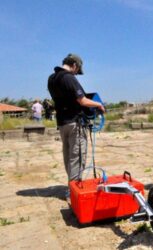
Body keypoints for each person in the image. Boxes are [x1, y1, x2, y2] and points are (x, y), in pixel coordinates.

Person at [47, 53, 105, 198]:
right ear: (74, 65)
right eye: (77, 71)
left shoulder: (52, 79)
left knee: (68, 156)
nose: (76, 74)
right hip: (75, 123)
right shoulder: (68, 77)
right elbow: (83, 101)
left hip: (62, 123)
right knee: (77, 157)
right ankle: (74, 192)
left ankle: (71, 186)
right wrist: (99, 104)